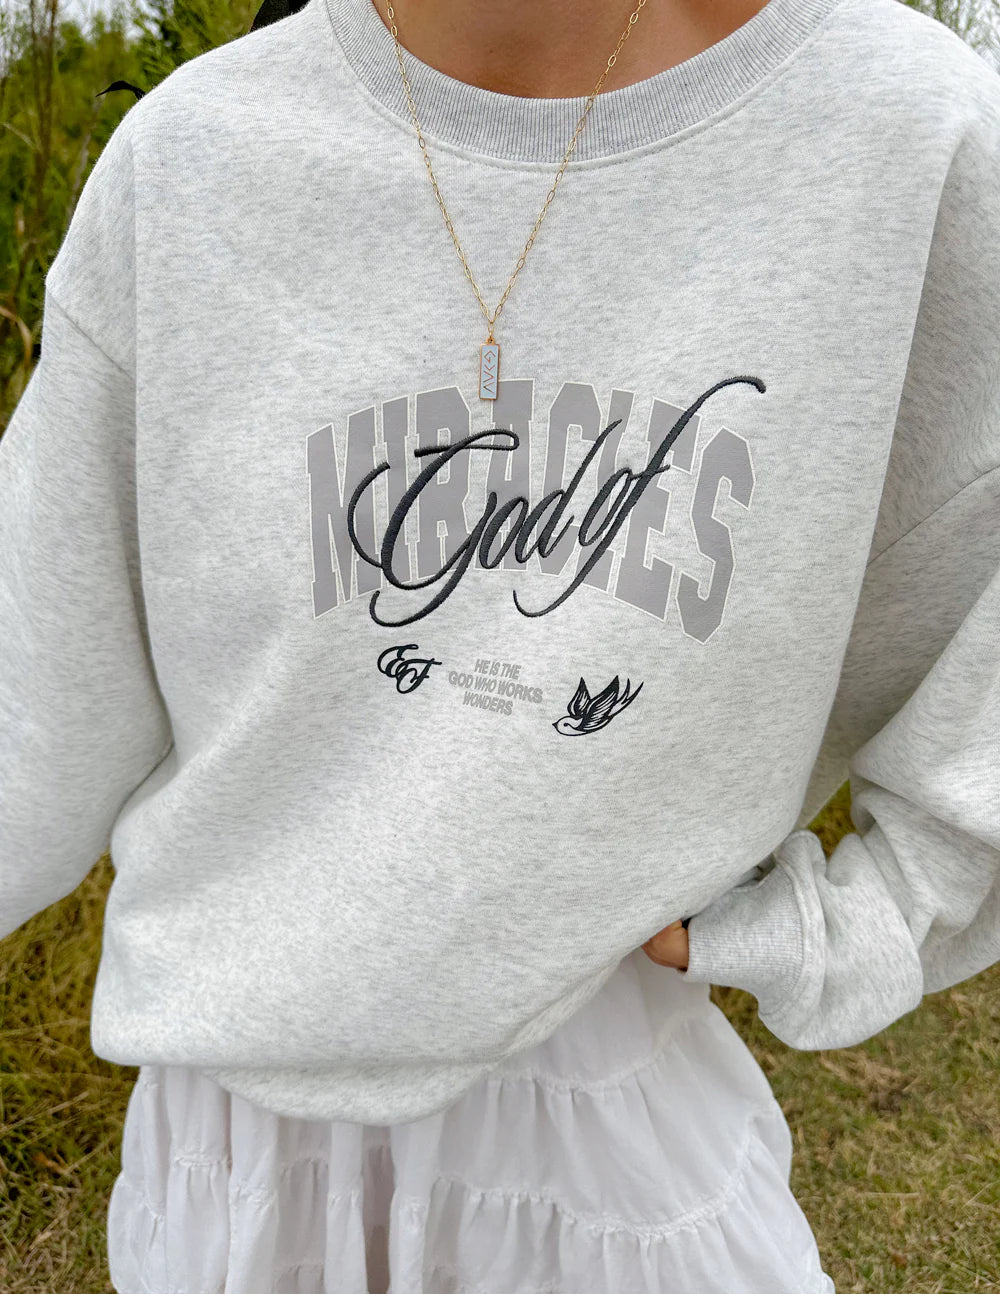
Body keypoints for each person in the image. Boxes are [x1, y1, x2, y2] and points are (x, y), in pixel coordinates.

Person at [2, 0, 999, 1289]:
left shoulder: (908, 132)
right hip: (232, 1149)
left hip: (617, 1127)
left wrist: (859, 926)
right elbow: (34, 695)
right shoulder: (196, 157)